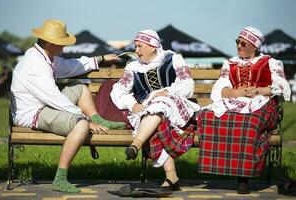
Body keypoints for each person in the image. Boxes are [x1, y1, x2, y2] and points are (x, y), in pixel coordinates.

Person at [10, 19, 126, 193]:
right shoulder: (35, 64)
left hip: (44, 105)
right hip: (33, 113)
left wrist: (100, 59)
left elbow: (71, 66)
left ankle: (99, 120)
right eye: (62, 43)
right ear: (50, 42)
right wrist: (85, 120)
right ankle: (60, 178)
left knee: (80, 88)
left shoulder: (44, 56)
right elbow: (54, 98)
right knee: (80, 126)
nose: (64, 48)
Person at [197, 27, 291, 194]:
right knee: (207, 115)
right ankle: (220, 167)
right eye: (237, 42)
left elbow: (282, 86)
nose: (238, 46)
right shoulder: (230, 63)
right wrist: (236, 92)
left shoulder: (269, 62)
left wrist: (260, 90)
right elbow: (219, 89)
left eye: (243, 43)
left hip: (263, 102)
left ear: (254, 46)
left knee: (248, 121)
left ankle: (243, 179)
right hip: (236, 100)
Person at [110, 30, 201, 190]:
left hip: (174, 107)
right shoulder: (133, 67)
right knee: (156, 119)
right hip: (149, 112)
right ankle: (172, 177)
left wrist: (168, 92)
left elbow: (187, 84)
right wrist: (132, 104)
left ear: (153, 46)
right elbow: (118, 89)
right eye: (135, 47)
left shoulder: (173, 59)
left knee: (160, 105)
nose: (136, 50)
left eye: (140, 46)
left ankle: (136, 145)